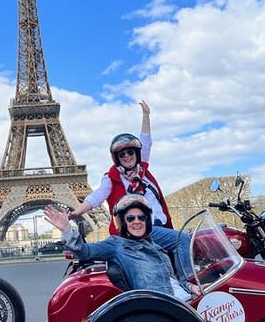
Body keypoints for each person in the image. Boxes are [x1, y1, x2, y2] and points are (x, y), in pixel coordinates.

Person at [68, 101, 191, 282]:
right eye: (122, 154)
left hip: (160, 226)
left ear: (136, 153)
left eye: (130, 152)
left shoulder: (143, 170)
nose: (127, 156)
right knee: (182, 240)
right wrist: (76, 212)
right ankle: (188, 283)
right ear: (117, 158)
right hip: (141, 229)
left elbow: (146, 140)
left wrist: (146, 115)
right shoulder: (111, 178)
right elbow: (96, 197)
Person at [45, 194, 197, 300]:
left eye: (141, 217)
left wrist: (189, 287)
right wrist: (66, 229)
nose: (136, 221)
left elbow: (171, 280)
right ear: (123, 223)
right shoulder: (116, 245)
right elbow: (84, 251)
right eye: (130, 218)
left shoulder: (154, 245)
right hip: (166, 310)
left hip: (185, 300)